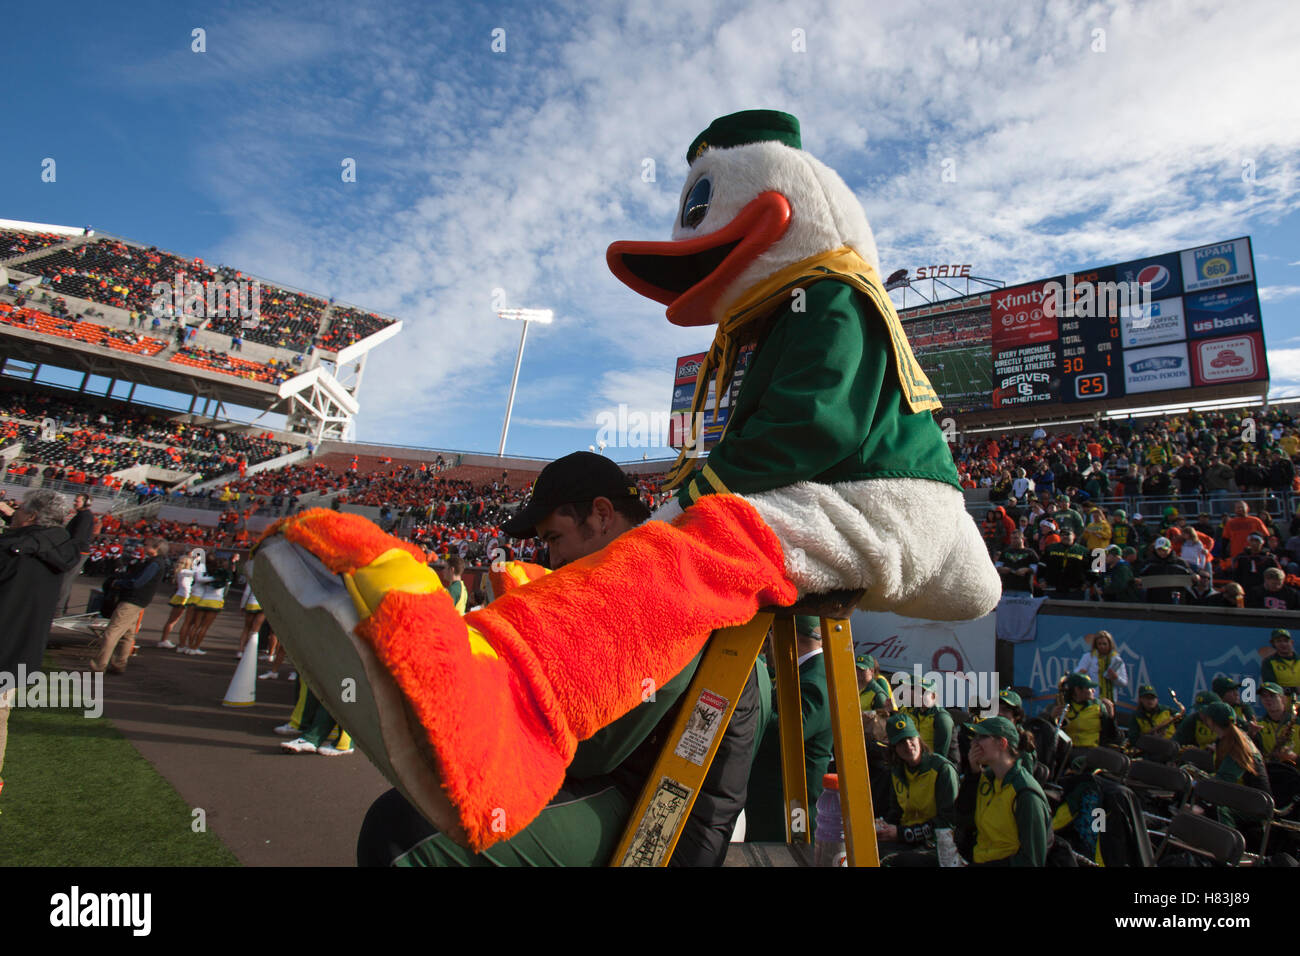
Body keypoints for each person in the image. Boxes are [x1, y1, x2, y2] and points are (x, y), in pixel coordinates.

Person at [356, 451, 769, 867]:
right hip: (641, 792)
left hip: (651, 816)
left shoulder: (661, 579)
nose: (552, 559)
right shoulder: (648, 570)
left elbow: (592, 751)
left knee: (403, 829)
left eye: (555, 538)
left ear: (603, 514)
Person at [0, 490, 79, 784]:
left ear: (31, 516)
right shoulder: (58, 547)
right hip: (20, 652)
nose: (14, 512)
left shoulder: (12, 547)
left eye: (19, 508)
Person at [744, 616, 833, 841]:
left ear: (789, 637)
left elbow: (786, 733)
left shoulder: (813, 681)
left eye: (770, 636)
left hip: (785, 806)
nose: (768, 644)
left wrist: (750, 702)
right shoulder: (807, 674)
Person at [963, 716, 1050, 866]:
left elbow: (1032, 861)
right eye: (974, 737)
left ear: (1002, 743)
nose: (973, 743)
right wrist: (973, 774)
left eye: (982, 737)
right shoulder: (987, 780)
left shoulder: (1025, 793)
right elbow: (963, 818)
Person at [877, 713, 959, 866]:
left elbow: (947, 822)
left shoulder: (941, 770)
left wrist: (902, 834)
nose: (908, 745)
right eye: (901, 742)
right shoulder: (897, 772)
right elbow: (896, 813)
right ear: (893, 748)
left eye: (911, 738)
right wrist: (883, 827)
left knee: (900, 861)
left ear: (919, 738)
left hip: (935, 843)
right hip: (907, 839)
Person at [91, 537, 169, 674]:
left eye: (146, 544)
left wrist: (119, 584)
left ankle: (99, 665)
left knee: (112, 632)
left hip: (132, 600)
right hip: (139, 600)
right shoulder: (156, 562)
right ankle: (119, 663)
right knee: (128, 634)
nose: (143, 547)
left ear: (156, 547)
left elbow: (138, 582)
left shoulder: (154, 563)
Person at [1051, 673, 1119, 751]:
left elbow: (1114, 736)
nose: (1093, 690)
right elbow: (1051, 736)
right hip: (1068, 751)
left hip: (1092, 752)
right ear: (1077, 690)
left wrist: (1111, 717)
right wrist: (1052, 718)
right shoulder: (1063, 705)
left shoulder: (1099, 706)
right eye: (1089, 688)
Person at [56, 492, 95, 615]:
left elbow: (78, 536)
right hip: (77, 550)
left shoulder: (85, 516)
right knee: (65, 580)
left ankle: (57, 611)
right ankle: (60, 608)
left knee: (65, 581)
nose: (74, 503)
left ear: (86, 502)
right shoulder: (82, 515)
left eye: (77, 501)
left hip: (78, 552)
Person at [1074, 630, 1128, 704]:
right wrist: (1080, 673)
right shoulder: (1089, 657)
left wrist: (1115, 678)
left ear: (1110, 644)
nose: (1102, 646)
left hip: (1110, 700)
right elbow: (1076, 673)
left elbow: (1124, 683)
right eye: (1099, 644)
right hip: (1092, 699)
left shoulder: (1116, 659)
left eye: (1104, 644)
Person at [158, 552, 197, 649]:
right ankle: (163, 640)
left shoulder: (182, 571)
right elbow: (194, 576)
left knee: (172, 620)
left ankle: (164, 639)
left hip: (180, 596)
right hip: (182, 597)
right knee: (173, 620)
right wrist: (187, 596)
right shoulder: (183, 572)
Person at [1256, 683, 1299, 762]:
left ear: (1283, 699)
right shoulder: (1258, 726)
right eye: (1263, 696)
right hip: (1272, 771)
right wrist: (1251, 735)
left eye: (1272, 695)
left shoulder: (1297, 723)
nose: (1268, 699)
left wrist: (1294, 757)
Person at [1261, 629, 1300, 696]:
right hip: (1281, 703)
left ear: (1292, 642)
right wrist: (1295, 690)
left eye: (1286, 641)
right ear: (1273, 644)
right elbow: (1271, 688)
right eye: (1279, 641)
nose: (1283, 644)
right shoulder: (1268, 662)